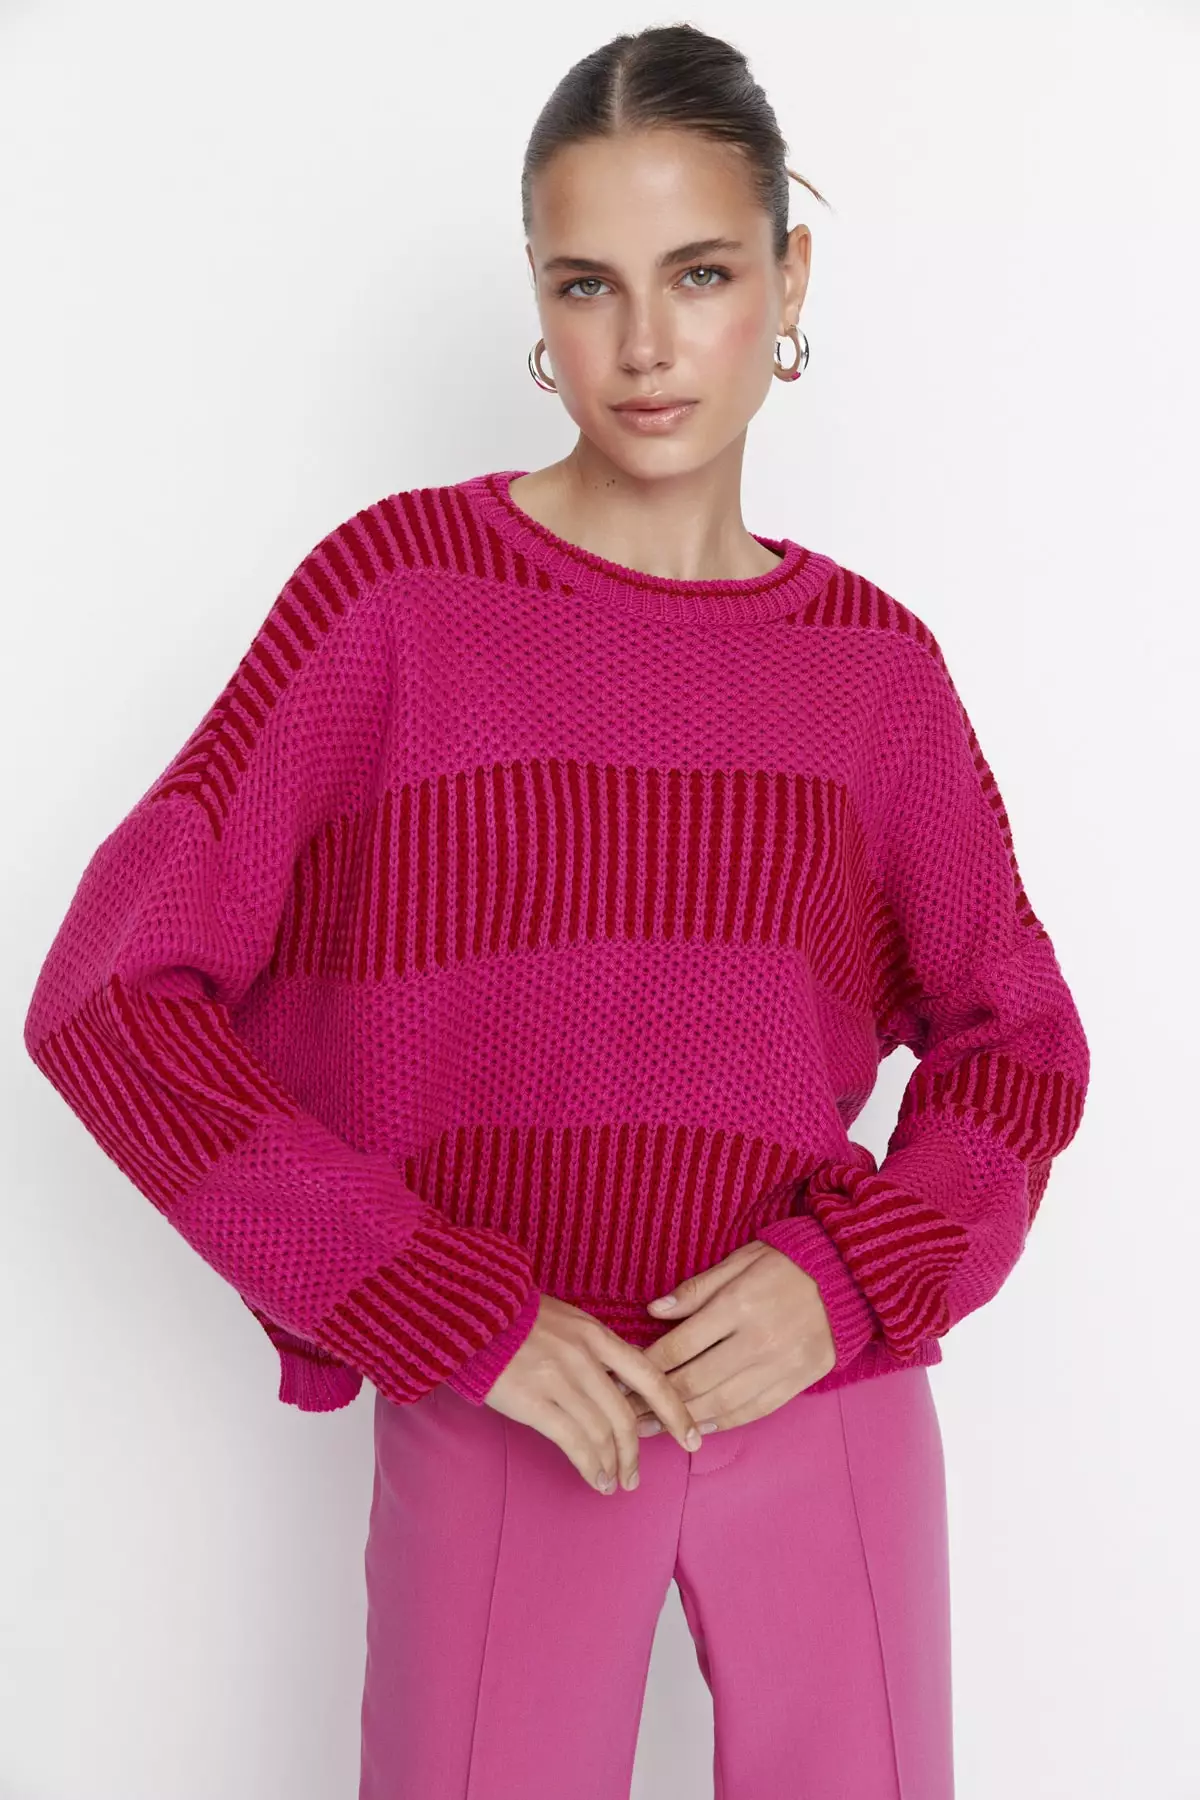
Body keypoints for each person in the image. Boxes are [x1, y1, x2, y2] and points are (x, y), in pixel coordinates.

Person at [23, 22, 1090, 1800]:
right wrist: (434, 1300)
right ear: (537, 294)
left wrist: (851, 1284)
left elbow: (1022, 1042)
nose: (647, 344)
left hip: (817, 1398)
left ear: (789, 280)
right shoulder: (396, 600)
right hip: (515, 1400)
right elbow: (110, 999)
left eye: (702, 274)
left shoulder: (873, 672)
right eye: (589, 283)